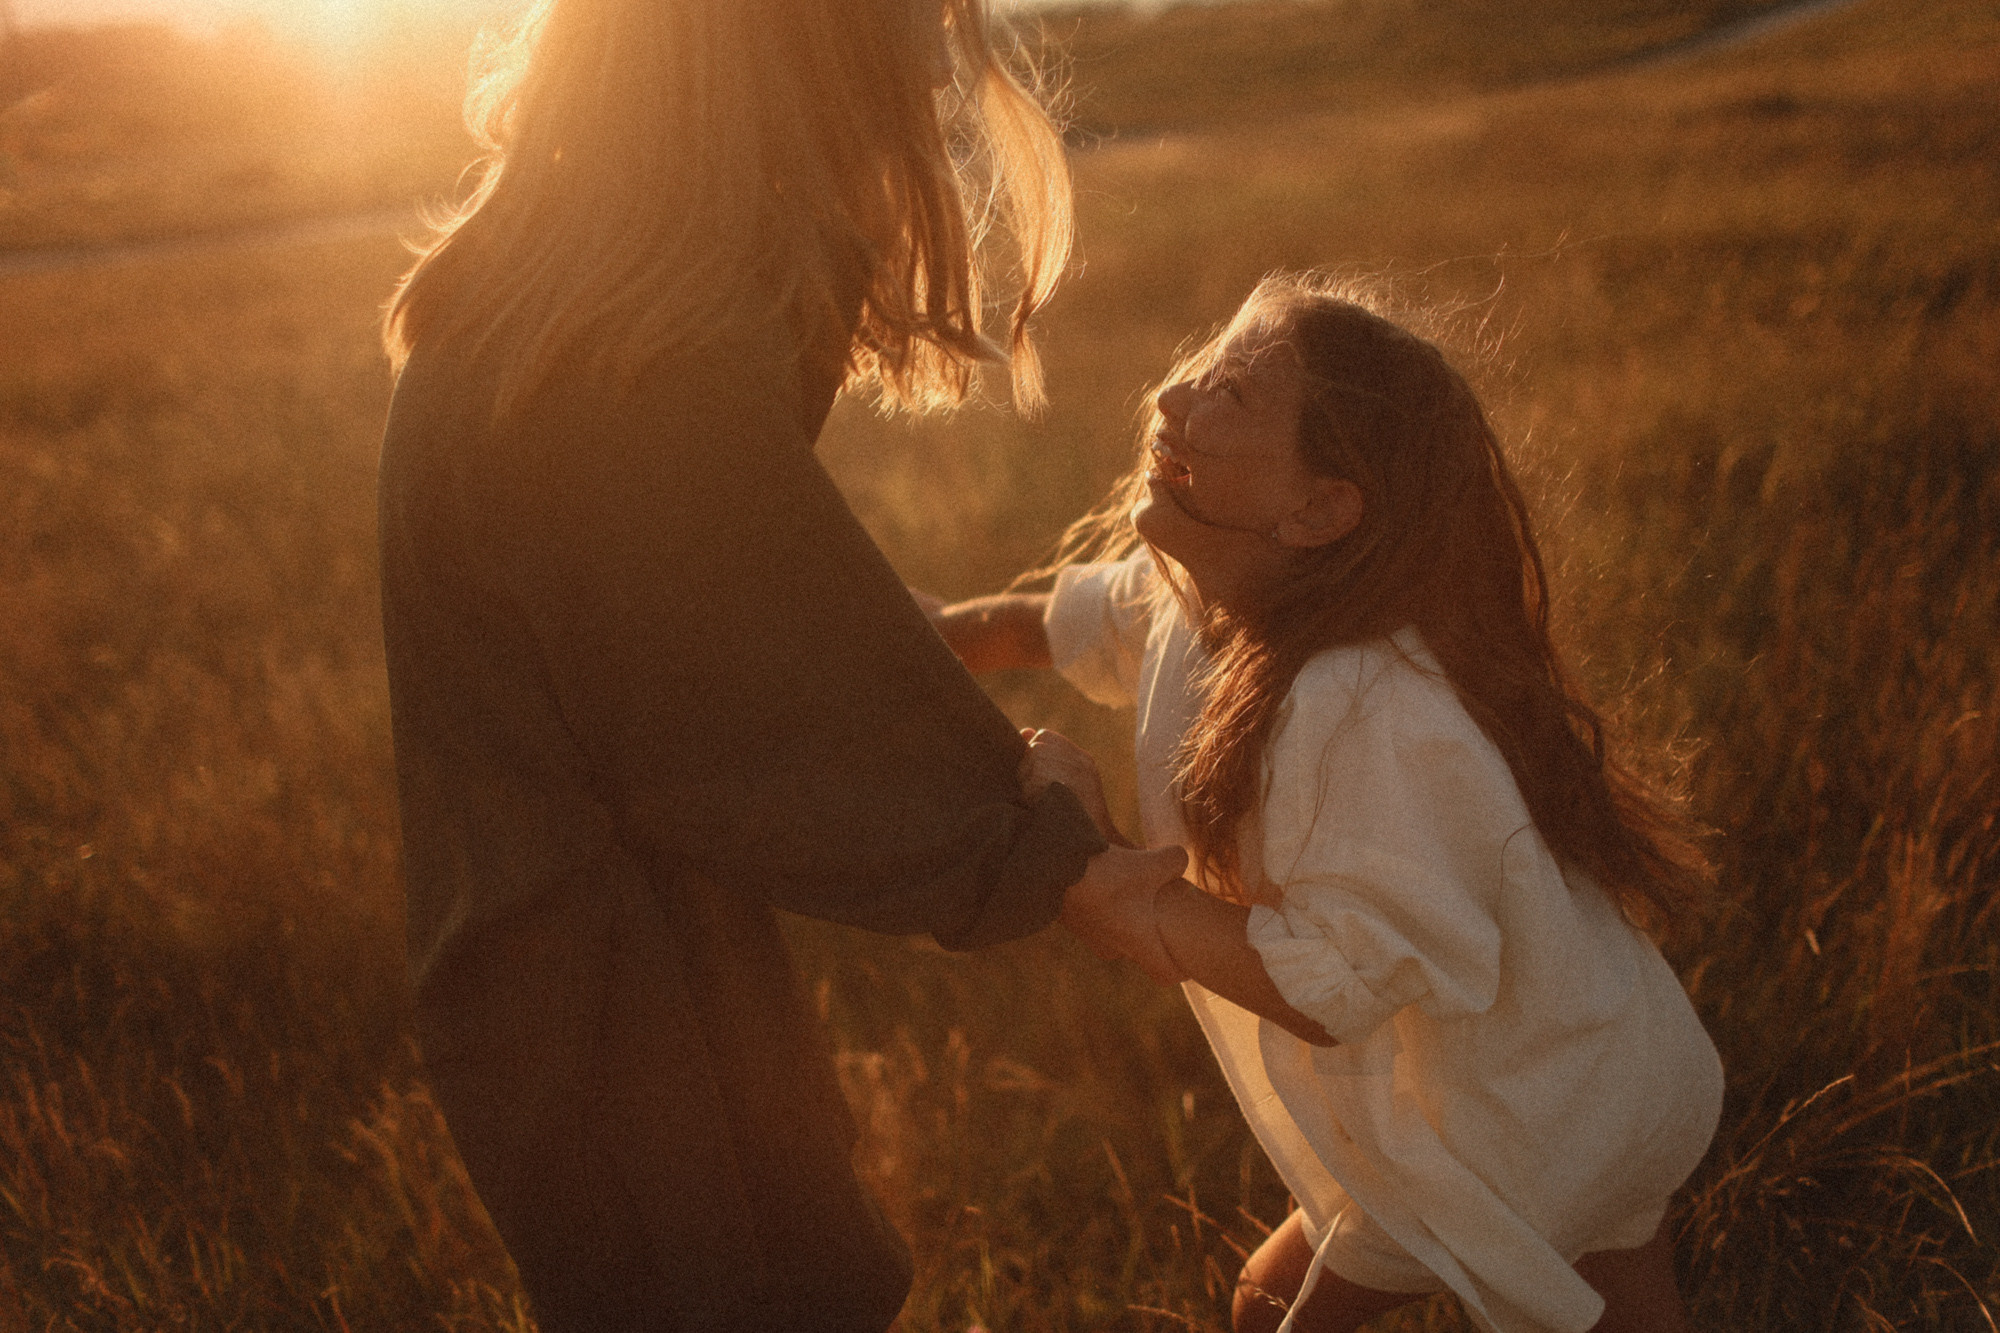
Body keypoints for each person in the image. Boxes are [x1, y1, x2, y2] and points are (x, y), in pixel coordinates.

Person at [373, 1, 1185, 1329]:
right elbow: (754, 715)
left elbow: (685, 636)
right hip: (627, 1037)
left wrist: (850, 626)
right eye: (911, 39)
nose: (928, 75)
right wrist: (1030, 818)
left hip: (564, 989)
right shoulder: (624, 378)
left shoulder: (540, 306)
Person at [925, 273, 1726, 1333]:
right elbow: (1035, 624)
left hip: (1515, 1110)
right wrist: (918, 635)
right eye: (1205, 363)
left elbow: (1327, 986)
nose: (1173, 398)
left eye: (1234, 393)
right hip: (1602, 1061)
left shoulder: (1364, 709)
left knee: (1268, 1311)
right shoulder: (1192, 592)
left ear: (1316, 509)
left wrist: (1105, 873)